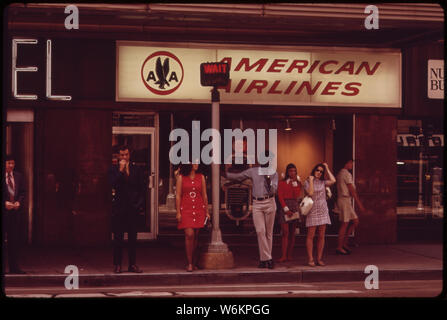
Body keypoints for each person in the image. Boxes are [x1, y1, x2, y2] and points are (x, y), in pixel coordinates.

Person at [225, 161, 278, 269]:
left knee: (268, 233)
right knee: (260, 231)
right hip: (257, 203)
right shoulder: (253, 171)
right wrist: (223, 173)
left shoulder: (274, 173)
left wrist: (269, 181)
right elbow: (238, 177)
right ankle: (268, 258)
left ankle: (263, 260)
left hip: (270, 202)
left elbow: (274, 190)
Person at [109, 145, 144, 273]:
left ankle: (132, 264)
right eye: (122, 155)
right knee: (118, 238)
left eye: (126, 154)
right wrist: (120, 170)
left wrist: (139, 204)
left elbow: (141, 188)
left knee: (132, 239)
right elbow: (112, 184)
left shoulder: (136, 169)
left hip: (132, 209)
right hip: (119, 208)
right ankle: (117, 264)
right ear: (118, 156)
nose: (124, 157)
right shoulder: (113, 169)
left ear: (129, 155)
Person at [176, 163, 210, 272]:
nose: (197, 164)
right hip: (186, 209)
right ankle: (189, 263)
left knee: (195, 236)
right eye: (194, 162)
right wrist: (178, 212)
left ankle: (193, 261)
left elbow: (204, 195)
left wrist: (207, 212)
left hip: (199, 209)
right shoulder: (181, 177)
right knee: (189, 234)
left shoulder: (201, 177)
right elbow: (178, 195)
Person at [303, 163, 336, 267]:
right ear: (314, 170)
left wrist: (327, 167)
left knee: (321, 236)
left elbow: (333, 180)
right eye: (317, 170)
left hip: (322, 210)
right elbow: (311, 193)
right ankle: (310, 259)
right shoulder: (307, 182)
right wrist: (312, 180)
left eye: (321, 171)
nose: (319, 172)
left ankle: (319, 258)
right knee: (310, 236)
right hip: (312, 210)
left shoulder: (323, 182)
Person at [335, 159, 365, 255]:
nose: (352, 165)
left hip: (345, 200)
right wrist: (359, 203)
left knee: (355, 221)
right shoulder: (346, 174)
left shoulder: (340, 173)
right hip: (344, 200)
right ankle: (340, 246)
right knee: (345, 223)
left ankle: (344, 243)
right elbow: (351, 189)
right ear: (346, 163)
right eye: (350, 163)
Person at [3, 155, 26, 274]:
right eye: (8, 163)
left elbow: (22, 192)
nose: (11, 165)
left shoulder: (18, 176)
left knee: (14, 241)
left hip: (14, 213)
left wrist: (19, 202)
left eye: (12, 163)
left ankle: (14, 268)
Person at [277, 163, 302, 263]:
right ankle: (283, 255)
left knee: (292, 233)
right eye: (291, 171)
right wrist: (286, 209)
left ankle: (289, 255)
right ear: (287, 172)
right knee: (285, 232)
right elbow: (280, 196)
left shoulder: (298, 183)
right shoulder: (281, 183)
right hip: (285, 206)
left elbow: (296, 195)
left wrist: (295, 183)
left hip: (294, 205)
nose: (292, 173)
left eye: (294, 171)